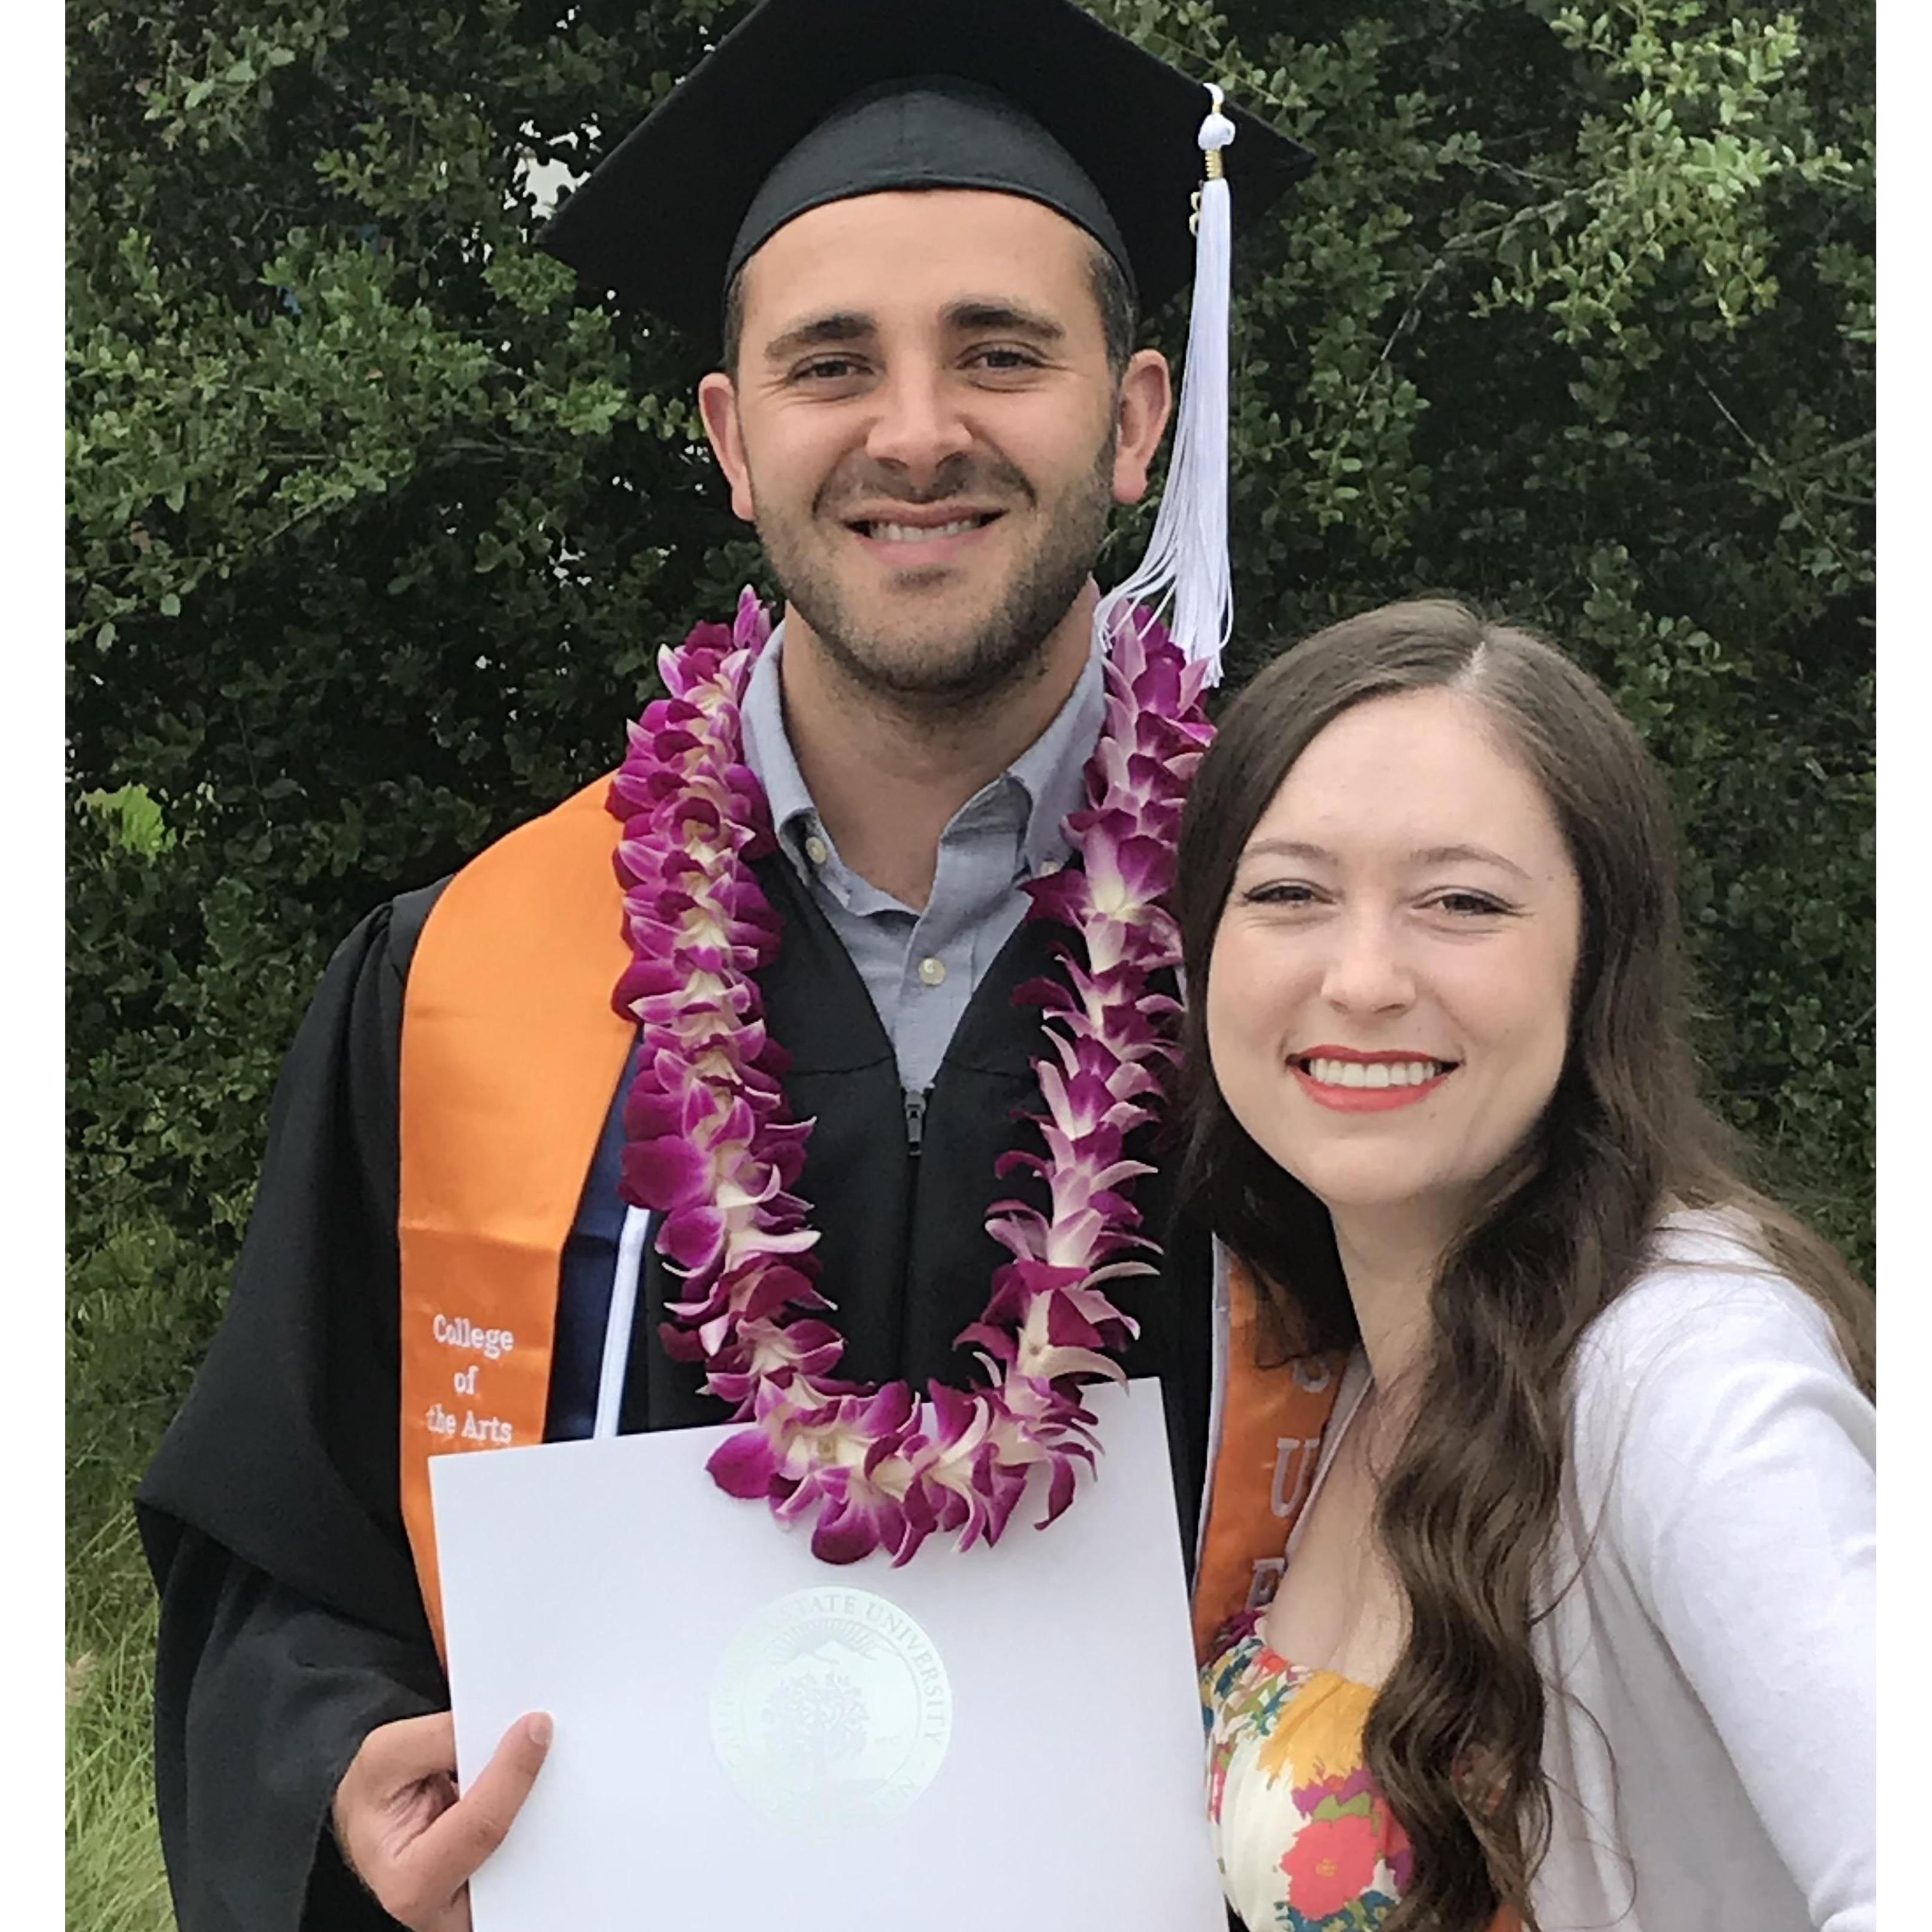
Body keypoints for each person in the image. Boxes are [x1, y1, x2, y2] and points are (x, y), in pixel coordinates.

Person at [137, 3, 1322, 1928]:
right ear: (733, 439)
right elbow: (282, 1550)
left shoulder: (1311, 952)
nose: (915, 430)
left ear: (1134, 419)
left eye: (1000, 355)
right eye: (830, 364)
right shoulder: (462, 983)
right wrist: (326, 1764)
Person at [1176, 599, 1876, 1932]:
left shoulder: (1684, 1375)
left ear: (1592, 962)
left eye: (1459, 901)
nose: (1363, 975)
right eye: (1288, 892)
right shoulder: (1359, 1359)